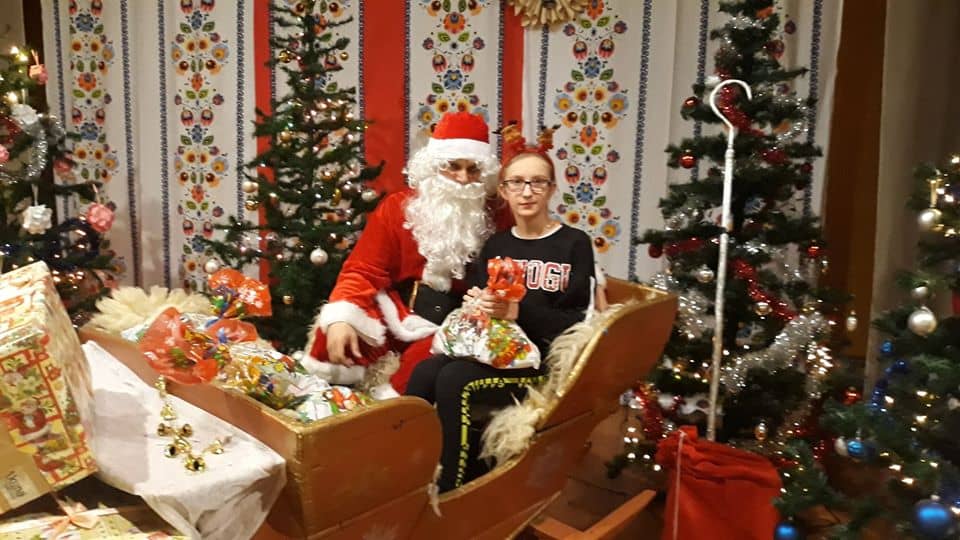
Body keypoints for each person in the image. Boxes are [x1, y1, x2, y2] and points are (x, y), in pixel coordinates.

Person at [405, 124, 598, 492]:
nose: (527, 192)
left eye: (537, 183)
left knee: (454, 379)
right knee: (426, 371)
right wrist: (476, 304)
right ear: (504, 190)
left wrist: (517, 312)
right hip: (493, 350)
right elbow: (483, 305)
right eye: (517, 183)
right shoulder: (496, 245)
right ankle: (409, 468)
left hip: (536, 362)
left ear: (551, 189)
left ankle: (454, 487)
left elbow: (578, 323)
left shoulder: (573, 244)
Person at [300, 111, 506, 397]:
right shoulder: (398, 207)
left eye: (473, 170)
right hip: (399, 312)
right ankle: (321, 407)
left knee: (412, 378)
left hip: (455, 324)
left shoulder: (498, 215)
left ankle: (389, 417)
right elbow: (363, 269)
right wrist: (342, 317)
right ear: (434, 166)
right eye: (453, 166)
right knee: (336, 330)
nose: (462, 178)